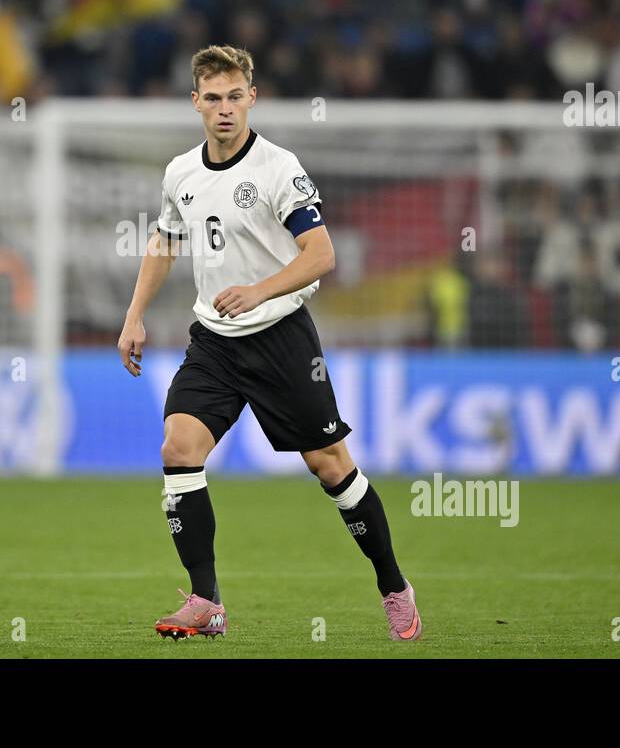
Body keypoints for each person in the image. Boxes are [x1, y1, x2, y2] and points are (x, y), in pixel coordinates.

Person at [116, 45, 420, 641]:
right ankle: (207, 602)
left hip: (281, 337)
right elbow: (164, 242)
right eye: (213, 99)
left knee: (330, 466)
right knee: (178, 447)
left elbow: (321, 254)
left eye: (235, 97)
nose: (224, 110)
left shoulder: (279, 168)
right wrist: (134, 316)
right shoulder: (180, 172)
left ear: (252, 98)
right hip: (214, 342)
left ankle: (391, 583)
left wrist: (260, 291)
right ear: (195, 103)